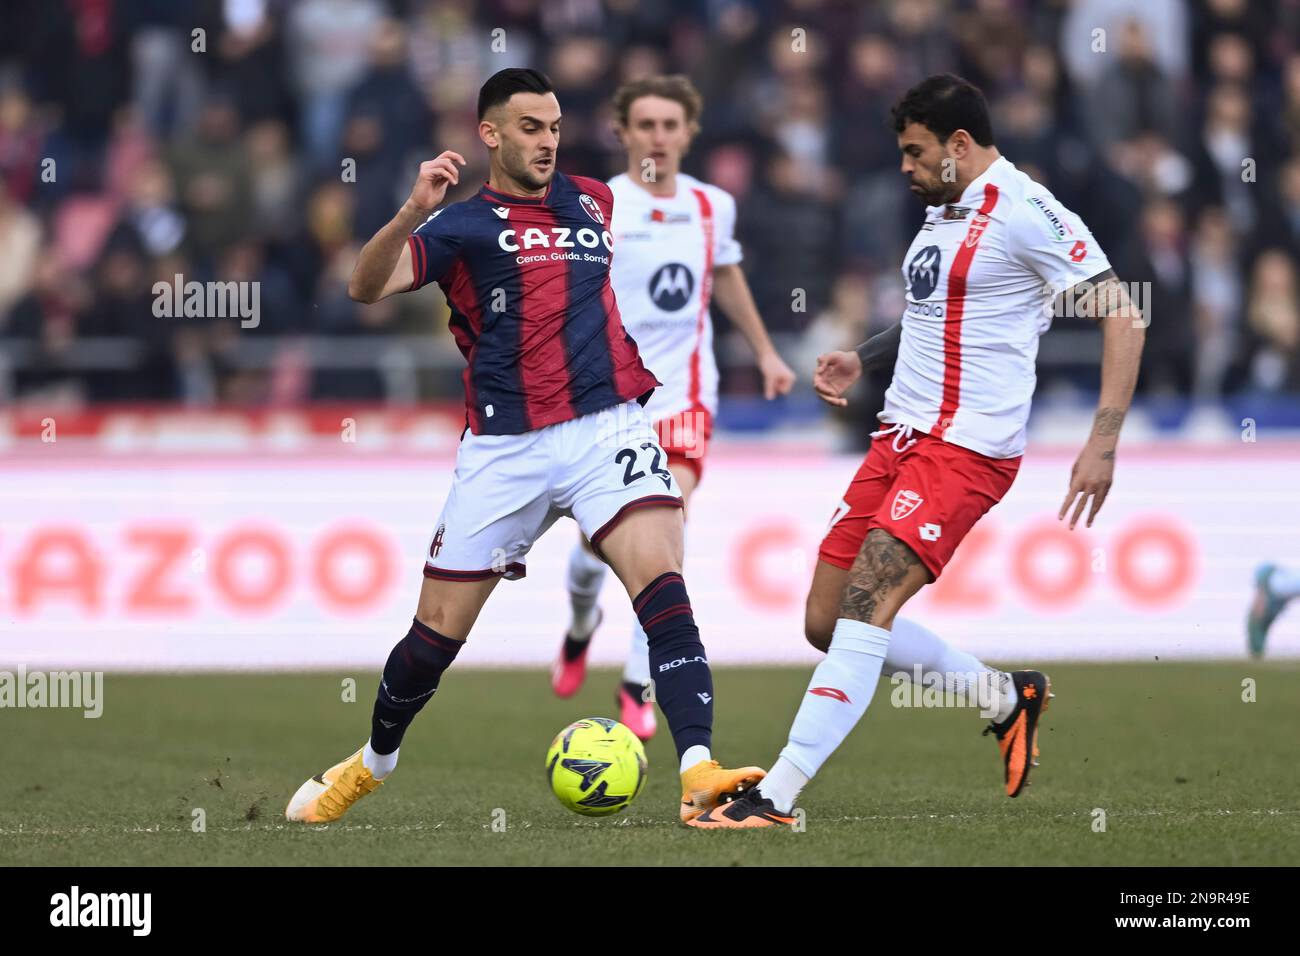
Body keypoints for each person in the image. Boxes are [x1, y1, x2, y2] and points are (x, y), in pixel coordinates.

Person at [286, 68, 763, 826]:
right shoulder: (461, 227)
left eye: (554, 126)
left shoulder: (595, 200)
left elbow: (692, 264)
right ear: (491, 134)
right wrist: (413, 209)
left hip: (608, 427)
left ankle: (699, 769)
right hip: (505, 449)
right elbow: (364, 287)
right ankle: (371, 764)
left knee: (662, 584)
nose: (547, 142)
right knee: (432, 641)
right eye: (531, 128)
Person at [688, 74, 1145, 828]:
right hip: (898, 436)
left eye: (915, 151)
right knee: (826, 619)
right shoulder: (944, 211)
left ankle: (775, 797)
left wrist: (1103, 441)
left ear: (959, 146)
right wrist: (862, 357)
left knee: (868, 604)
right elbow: (935, 312)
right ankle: (1004, 697)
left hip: (966, 448)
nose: (903, 166)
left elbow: (1123, 315)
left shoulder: (1028, 210)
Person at [551, 75, 795, 740]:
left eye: (670, 125)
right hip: (609, 400)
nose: (658, 136)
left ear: (689, 132)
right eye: (646, 125)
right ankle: (580, 625)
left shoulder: (713, 205)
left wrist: (767, 353)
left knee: (664, 535)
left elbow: (725, 274)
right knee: (593, 552)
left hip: (686, 398)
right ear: (623, 133)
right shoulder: (597, 205)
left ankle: (638, 681)